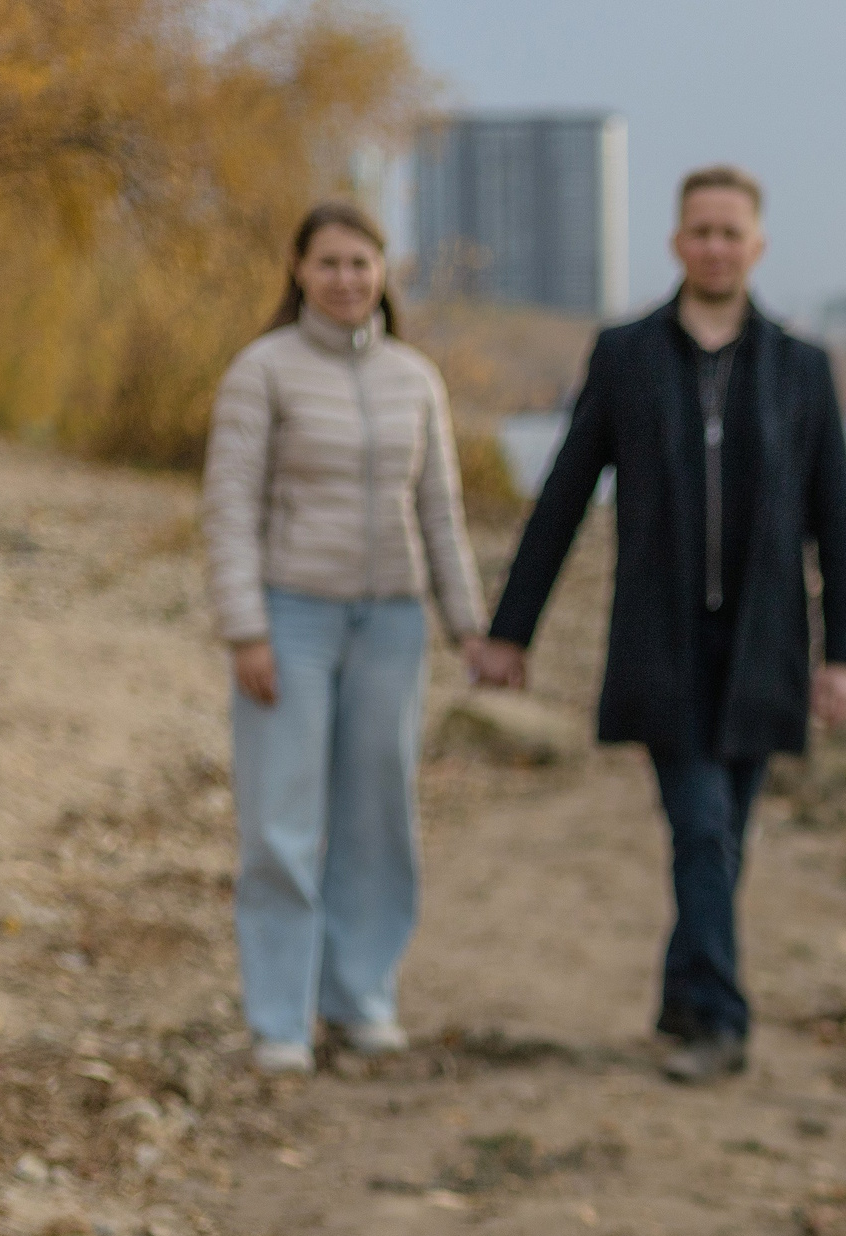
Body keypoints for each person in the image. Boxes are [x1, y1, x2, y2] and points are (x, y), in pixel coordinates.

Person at [481, 164, 846, 1082]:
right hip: (662, 644)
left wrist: (843, 655)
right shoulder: (625, 355)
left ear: (757, 247)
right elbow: (564, 497)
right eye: (701, 230)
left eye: (732, 233)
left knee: (723, 834)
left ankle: (681, 995)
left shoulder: (801, 368)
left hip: (764, 648)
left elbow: (839, 523)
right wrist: (510, 631)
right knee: (701, 828)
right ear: (676, 241)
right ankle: (721, 1024)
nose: (716, 246)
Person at [202, 201, 487, 1075]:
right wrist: (245, 627)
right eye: (328, 263)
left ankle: (361, 998)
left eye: (361, 264)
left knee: (377, 817)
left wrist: (469, 624)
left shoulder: (414, 377)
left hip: (392, 622)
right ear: (298, 271)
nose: (346, 279)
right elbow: (229, 507)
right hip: (293, 617)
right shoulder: (263, 371)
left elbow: (439, 508)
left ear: (382, 273)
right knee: (282, 821)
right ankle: (280, 1018)